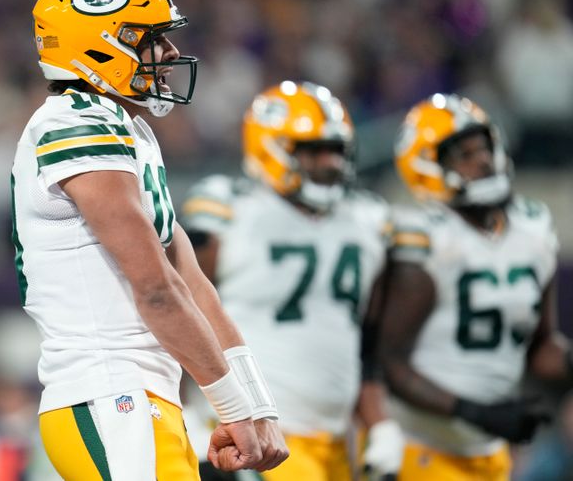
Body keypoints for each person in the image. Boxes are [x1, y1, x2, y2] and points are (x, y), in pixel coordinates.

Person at [10, 0, 288, 480]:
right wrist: (232, 407)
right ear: (99, 44)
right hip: (109, 395)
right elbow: (157, 289)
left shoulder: (129, 130)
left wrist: (257, 403)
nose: (169, 54)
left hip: (141, 399)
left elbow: (194, 284)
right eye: (150, 39)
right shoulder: (76, 122)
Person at [181, 81, 403, 481]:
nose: (330, 164)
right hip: (256, 437)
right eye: (313, 151)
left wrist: (380, 423)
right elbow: (179, 312)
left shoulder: (368, 220)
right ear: (271, 147)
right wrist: (184, 410)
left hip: (337, 441)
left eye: (336, 151)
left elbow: (366, 338)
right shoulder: (229, 209)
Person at [381, 93, 572, 480]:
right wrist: (475, 411)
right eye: (464, 155)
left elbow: (541, 348)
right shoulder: (425, 241)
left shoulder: (532, 229)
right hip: (421, 450)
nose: (482, 161)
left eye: (483, 149)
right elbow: (390, 366)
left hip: (490, 454)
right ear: (427, 166)